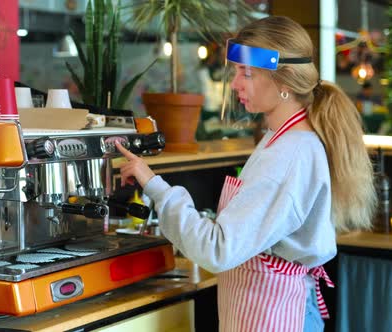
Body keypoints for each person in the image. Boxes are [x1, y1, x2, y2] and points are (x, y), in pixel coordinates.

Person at [116, 16, 376, 332]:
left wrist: (154, 184)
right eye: (236, 71)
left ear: (283, 82)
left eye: (246, 73)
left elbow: (217, 249)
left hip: (278, 317)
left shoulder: (289, 153)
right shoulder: (280, 138)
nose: (235, 83)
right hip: (274, 307)